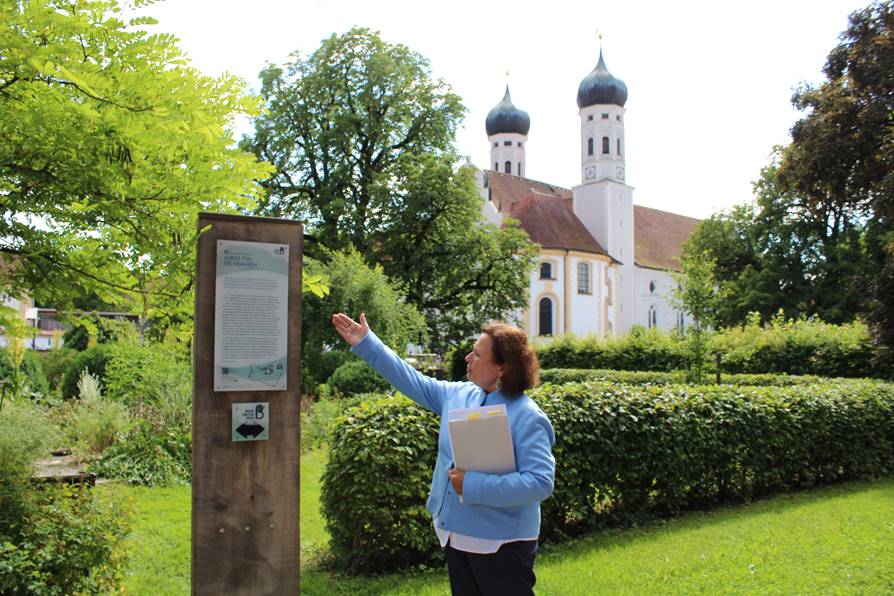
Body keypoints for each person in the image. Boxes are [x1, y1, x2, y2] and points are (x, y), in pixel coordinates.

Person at [331, 312, 555, 596]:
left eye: (476, 354)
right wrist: (367, 343)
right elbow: (409, 378)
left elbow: (540, 482)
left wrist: (472, 485)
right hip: (456, 536)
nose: (467, 359)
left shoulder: (528, 416)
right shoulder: (459, 395)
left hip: (502, 544)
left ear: (502, 368)